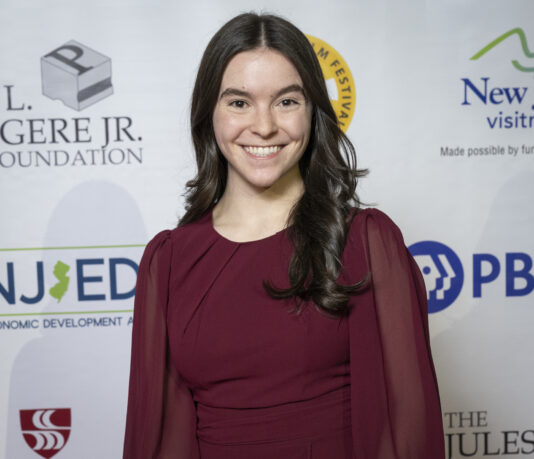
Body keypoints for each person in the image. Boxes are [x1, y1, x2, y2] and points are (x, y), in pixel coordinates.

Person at [123, 12, 445, 459]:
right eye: (239, 102)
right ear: (209, 114)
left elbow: (409, 425)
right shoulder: (170, 260)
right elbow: (164, 438)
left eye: (286, 101)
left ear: (313, 110)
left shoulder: (366, 242)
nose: (264, 126)